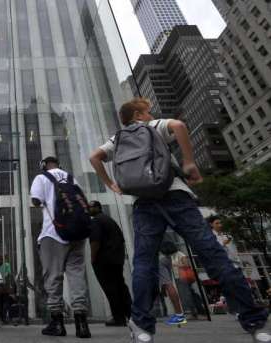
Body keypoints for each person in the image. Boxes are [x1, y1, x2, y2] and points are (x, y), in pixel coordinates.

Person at [89, 97, 269, 343]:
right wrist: (188, 162)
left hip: (144, 202)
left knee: (144, 263)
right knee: (213, 255)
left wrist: (111, 184)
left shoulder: (117, 138)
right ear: (138, 115)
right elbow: (180, 126)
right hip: (175, 196)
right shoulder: (154, 126)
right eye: (147, 112)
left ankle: (142, 326)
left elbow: (94, 157)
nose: (151, 115)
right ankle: (254, 322)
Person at [30, 156, 91, 339]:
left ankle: (57, 323)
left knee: (53, 276)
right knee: (77, 275)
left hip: (54, 232)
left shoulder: (42, 177)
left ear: (43, 166)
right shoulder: (71, 177)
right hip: (78, 232)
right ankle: (82, 324)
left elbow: (36, 200)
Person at [88, 200, 131, 327]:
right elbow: (122, 240)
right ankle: (131, 314)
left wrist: (92, 258)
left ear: (97, 208)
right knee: (121, 287)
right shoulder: (109, 220)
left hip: (104, 261)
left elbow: (95, 241)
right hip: (116, 259)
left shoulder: (96, 221)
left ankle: (118, 318)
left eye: (90, 207)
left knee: (110, 289)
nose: (88, 209)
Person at [209, 215, 241, 314]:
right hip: (223, 264)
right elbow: (213, 250)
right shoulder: (211, 237)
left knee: (239, 286)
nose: (220, 225)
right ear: (211, 225)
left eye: (220, 223)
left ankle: (240, 309)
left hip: (235, 264)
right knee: (231, 287)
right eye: (217, 223)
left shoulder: (227, 235)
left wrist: (238, 261)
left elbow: (233, 249)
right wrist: (223, 243)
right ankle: (236, 310)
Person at [158, 240, 186, 326]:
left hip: (160, 258)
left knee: (168, 284)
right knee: (168, 284)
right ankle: (179, 314)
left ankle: (179, 316)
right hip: (166, 257)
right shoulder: (168, 258)